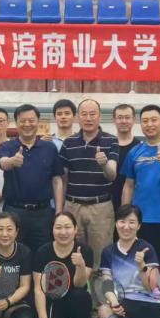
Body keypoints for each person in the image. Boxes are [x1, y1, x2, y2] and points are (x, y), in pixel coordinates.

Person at [95, 204, 160, 318]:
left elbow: (151, 287)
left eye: (132, 222)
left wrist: (142, 266)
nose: (126, 226)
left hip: (146, 305)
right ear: (116, 223)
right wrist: (114, 301)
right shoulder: (108, 252)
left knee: (104, 310)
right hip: (122, 305)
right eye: (122, 221)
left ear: (139, 226)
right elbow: (107, 281)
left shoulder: (147, 249)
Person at [120, 105, 160, 259]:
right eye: (145, 121)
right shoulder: (135, 151)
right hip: (139, 220)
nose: (149, 124)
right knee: (140, 264)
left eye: (154, 120)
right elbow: (129, 185)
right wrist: (124, 215)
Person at [60, 99, 119, 268]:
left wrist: (104, 164)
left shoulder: (111, 141)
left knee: (100, 258)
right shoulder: (68, 143)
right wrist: (62, 207)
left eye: (92, 114)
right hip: (73, 206)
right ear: (78, 117)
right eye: (84, 114)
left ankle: (99, 286)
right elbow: (63, 179)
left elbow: (112, 175)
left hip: (100, 208)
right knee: (72, 255)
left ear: (100, 116)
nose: (88, 118)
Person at [0, 104, 63, 255]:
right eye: (22, 121)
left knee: (42, 255)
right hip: (14, 212)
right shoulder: (7, 146)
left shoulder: (49, 148)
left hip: (43, 213)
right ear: (16, 122)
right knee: (13, 255)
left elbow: (57, 180)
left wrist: (59, 211)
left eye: (31, 120)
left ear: (38, 122)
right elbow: (3, 163)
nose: (27, 124)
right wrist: (12, 161)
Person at [32, 211, 93, 318]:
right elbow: (39, 289)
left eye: (67, 227)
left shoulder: (85, 251)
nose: (63, 232)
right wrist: (42, 316)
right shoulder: (43, 252)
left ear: (75, 229)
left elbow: (80, 284)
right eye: (58, 227)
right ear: (52, 229)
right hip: (53, 301)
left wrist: (80, 265)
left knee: (82, 296)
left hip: (74, 299)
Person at [111, 104, 141, 210]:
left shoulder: (140, 147)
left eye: (127, 117)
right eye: (120, 117)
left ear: (134, 120)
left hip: (133, 204)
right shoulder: (107, 145)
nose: (123, 121)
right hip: (107, 204)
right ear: (114, 120)